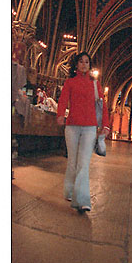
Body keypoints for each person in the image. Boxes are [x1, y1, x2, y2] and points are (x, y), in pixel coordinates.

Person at [56, 52, 110, 212]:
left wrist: (105, 125)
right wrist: (60, 114)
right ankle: (69, 190)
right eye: (81, 62)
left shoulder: (95, 84)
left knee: (83, 163)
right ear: (76, 65)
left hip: (90, 128)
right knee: (73, 161)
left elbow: (102, 106)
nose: (84, 64)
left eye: (87, 62)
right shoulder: (70, 82)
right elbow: (63, 100)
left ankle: (82, 199)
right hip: (72, 126)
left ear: (90, 65)